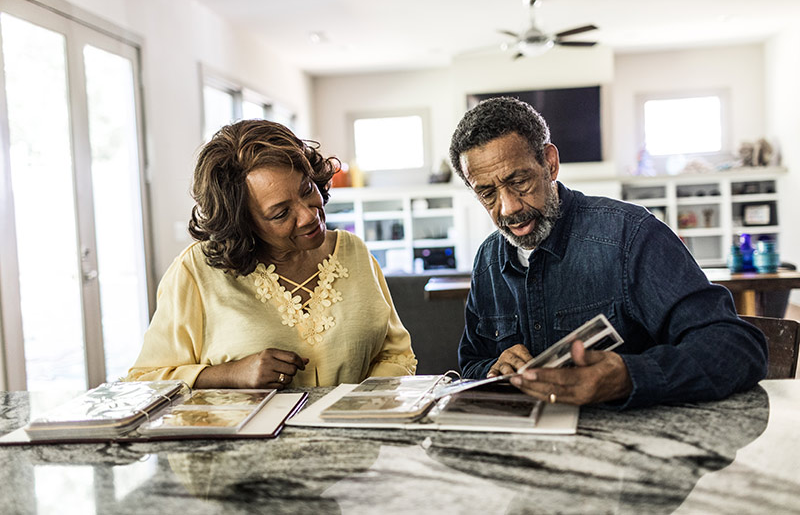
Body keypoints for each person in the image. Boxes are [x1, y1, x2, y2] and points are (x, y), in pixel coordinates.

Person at [448, 97, 767, 408]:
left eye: (519, 182)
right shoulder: (487, 261)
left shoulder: (631, 236)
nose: (508, 207)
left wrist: (629, 377)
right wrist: (495, 370)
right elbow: (473, 364)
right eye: (487, 194)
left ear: (550, 162)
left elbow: (736, 347)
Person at [126, 119, 416, 389]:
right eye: (280, 213)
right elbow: (145, 381)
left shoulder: (354, 252)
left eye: (307, 189)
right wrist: (231, 374)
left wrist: (361, 404)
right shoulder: (196, 272)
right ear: (243, 223)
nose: (308, 215)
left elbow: (397, 355)